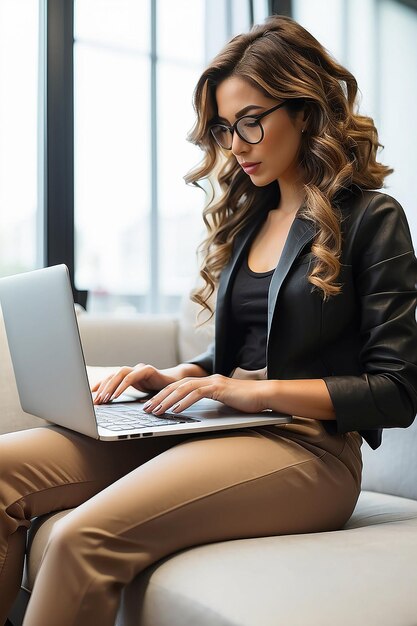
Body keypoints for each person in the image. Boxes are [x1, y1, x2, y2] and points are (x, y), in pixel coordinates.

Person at [1, 14, 417, 626]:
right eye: (225, 129)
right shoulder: (251, 219)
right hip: (217, 429)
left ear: (304, 111)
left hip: (307, 451)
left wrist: (247, 393)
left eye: (252, 121)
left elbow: (398, 391)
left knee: (78, 539)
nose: (237, 144)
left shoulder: (372, 218)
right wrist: (176, 376)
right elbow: (245, 355)